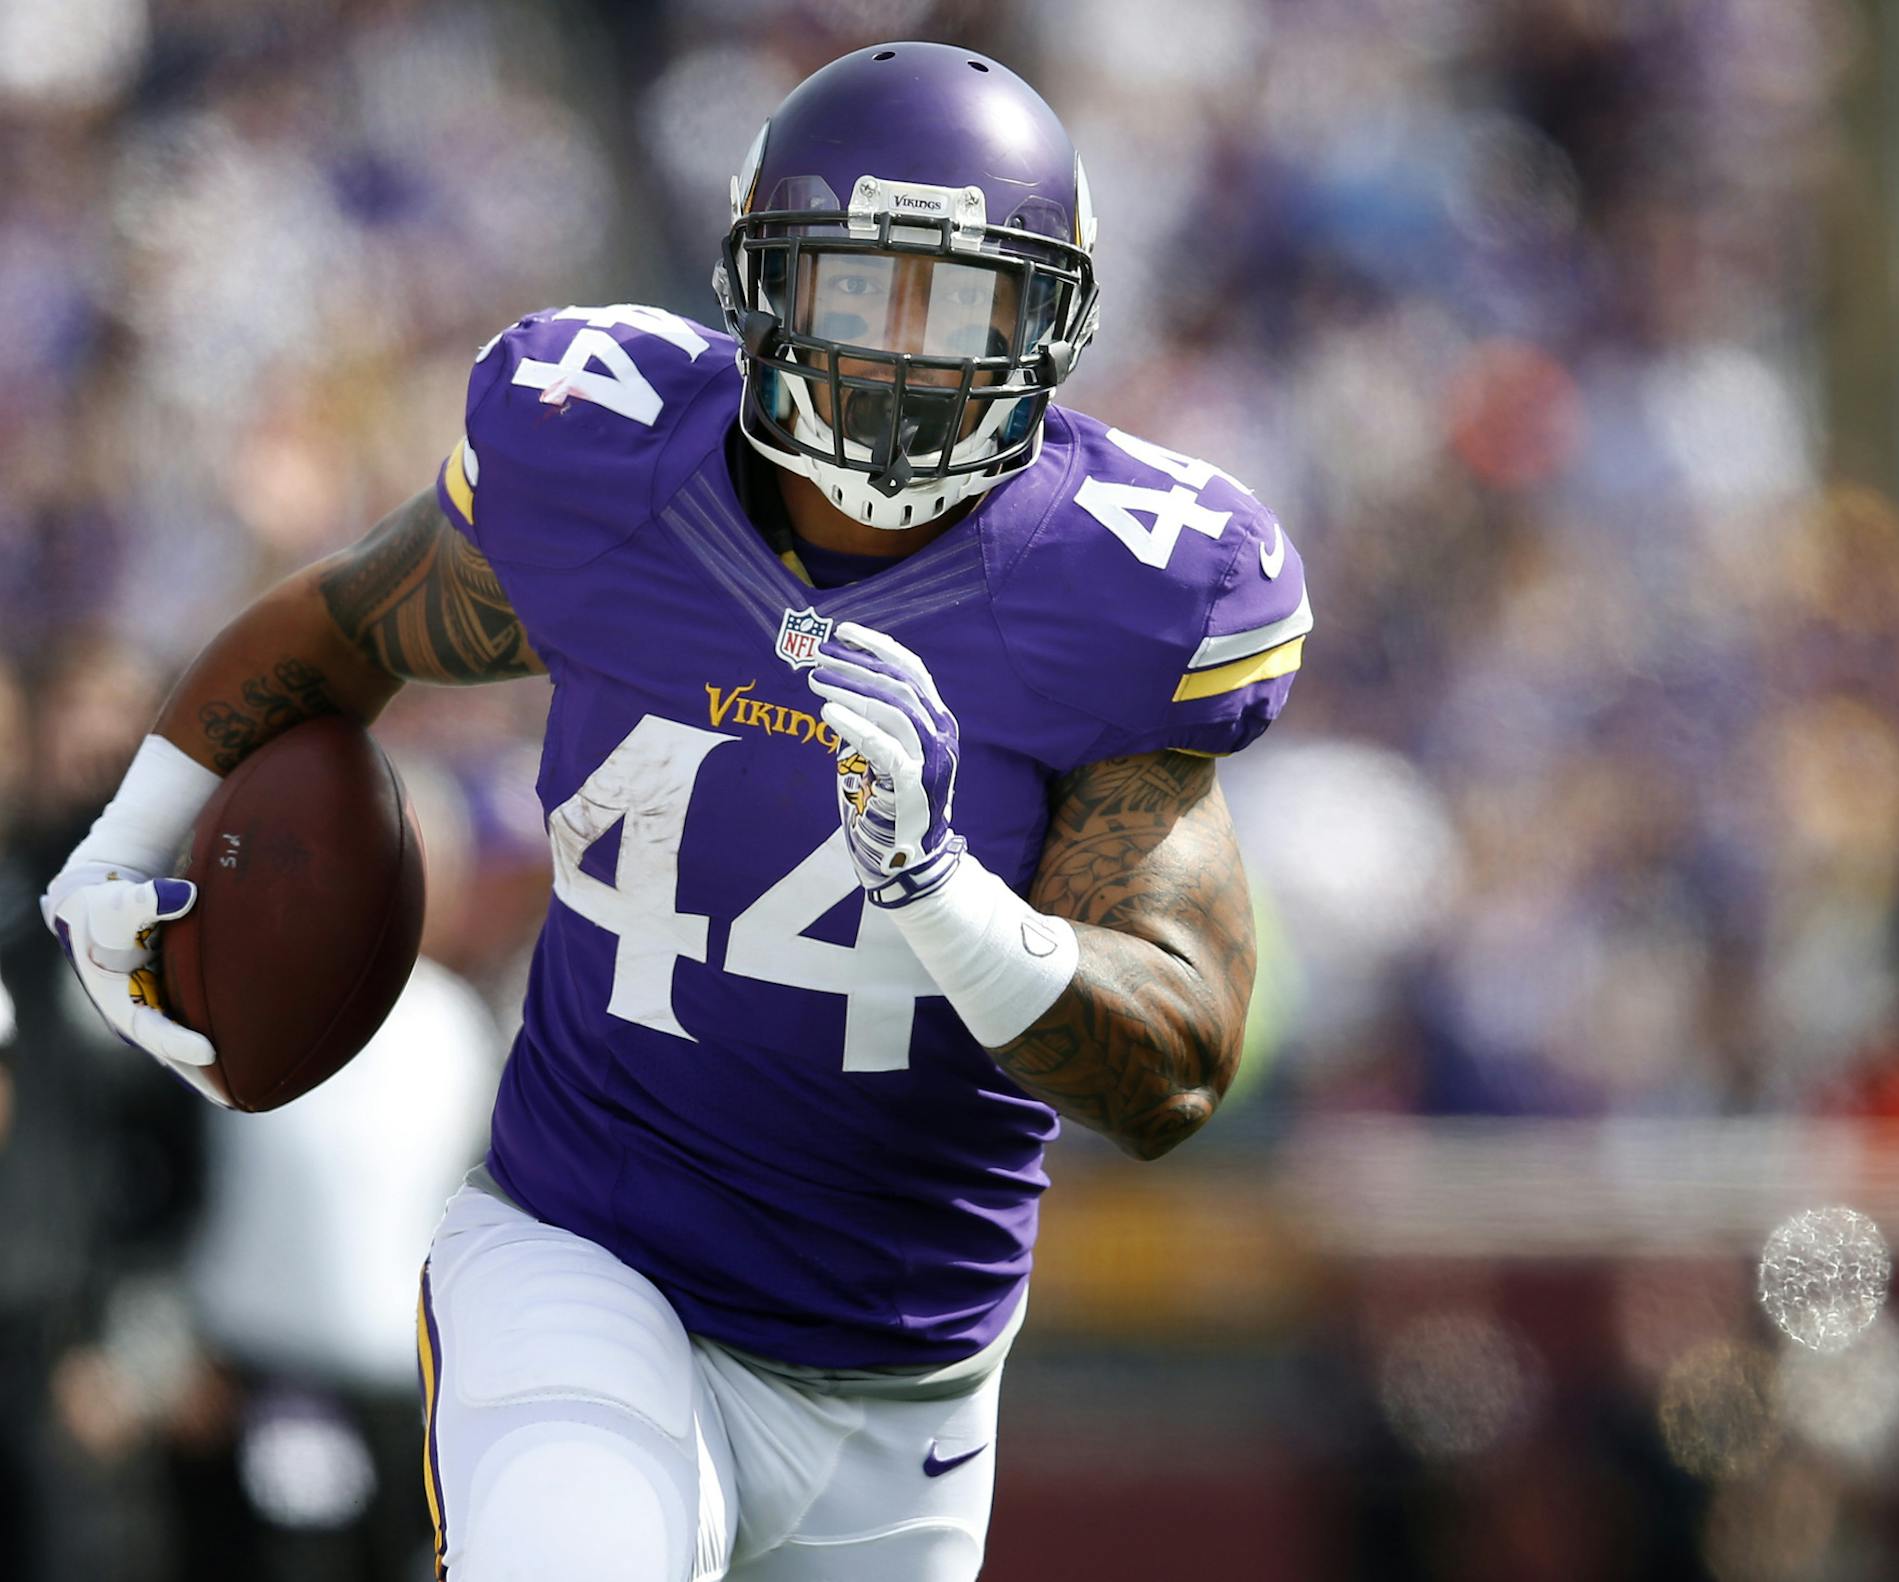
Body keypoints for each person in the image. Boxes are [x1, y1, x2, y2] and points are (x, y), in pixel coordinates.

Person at [39, 41, 1311, 1582]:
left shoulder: (1129, 589)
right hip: (586, 1257)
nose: (903, 361)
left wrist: (937, 888)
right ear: (761, 284)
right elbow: (345, 627)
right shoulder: (610, 460)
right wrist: (124, 839)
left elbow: (1174, 1066)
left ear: (1052, 322)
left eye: (960, 303)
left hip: (902, 1379)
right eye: (859, 291)